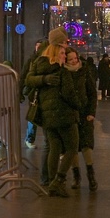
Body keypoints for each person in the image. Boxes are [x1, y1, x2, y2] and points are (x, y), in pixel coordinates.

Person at [26, 28, 85, 197]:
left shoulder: (40, 63)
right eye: (63, 50)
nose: (65, 54)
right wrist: (79, 106)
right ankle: (58, 181)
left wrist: (42, 80)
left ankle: (52, 182)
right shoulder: (60, 70)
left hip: (46, 115)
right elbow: (69, 94)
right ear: (57, 48)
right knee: (72, 147)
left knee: (54, 147)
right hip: (64, 115)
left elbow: (29, 79)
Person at [69, 47, 99, 191]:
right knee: (72, 147)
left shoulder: (85, 72)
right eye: (71, 59)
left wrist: (91, 113)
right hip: (70, 116)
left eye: (75, 58)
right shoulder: (64, 73)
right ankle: (76, 176)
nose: (74, 61)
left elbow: (92, 94)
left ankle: (91, 176)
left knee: (86, 145)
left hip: (85, 114)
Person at [22, 39, 44, 148]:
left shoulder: (46, 60)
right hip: (33, 92)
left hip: (43, 92)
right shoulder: (31, 60)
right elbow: (23, 75)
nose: (39, 48)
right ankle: (29, 139)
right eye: (37, 46)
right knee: (33, 115)